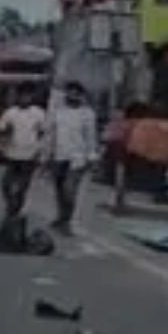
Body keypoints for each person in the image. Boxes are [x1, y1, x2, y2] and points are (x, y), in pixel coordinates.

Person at [48, 82, 99, 236]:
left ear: (80, 95)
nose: (72, 96)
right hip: (59, 155)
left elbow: (90, 137)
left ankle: (67, 220)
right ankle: (61, 217)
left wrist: (92, 156)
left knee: (69, 190)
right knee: (59, 189)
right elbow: (52, 133)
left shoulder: (87, 114)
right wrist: (47, 153)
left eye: (76, 93)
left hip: (77, 158)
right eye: (70, 92)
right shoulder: (58, 112)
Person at [0, 86, 47, 227]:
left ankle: (14, 213)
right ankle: (11, 206)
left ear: (32, 97)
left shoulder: (39, 113)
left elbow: (43, 133)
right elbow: (2, 130)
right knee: (5, 184)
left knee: (22, 187)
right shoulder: (10, 113)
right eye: (22, 95)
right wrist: (3, 143)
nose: (25, 98)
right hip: (12, 154)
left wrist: (40, 151)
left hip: (29, 156)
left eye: (28, 95)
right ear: (18, 96)